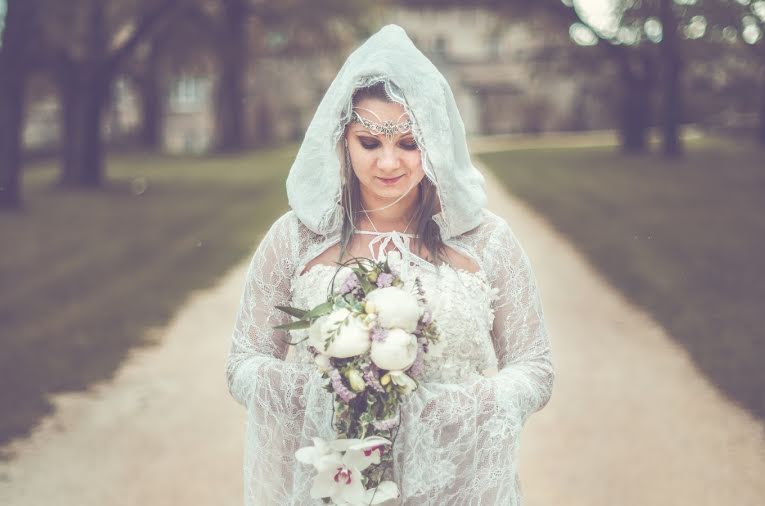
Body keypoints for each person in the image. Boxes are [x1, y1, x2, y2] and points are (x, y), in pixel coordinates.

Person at [226, 24, 554, 505]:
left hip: (454, 481)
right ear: (344, 141)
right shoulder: (294, 238)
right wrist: (333, 389)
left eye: (407, 143)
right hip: (336, 488)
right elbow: (244, 363)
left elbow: (535, 367)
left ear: (435, 144)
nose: (387, 163)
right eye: (370, 142)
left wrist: (468, 406)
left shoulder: (489, 242)